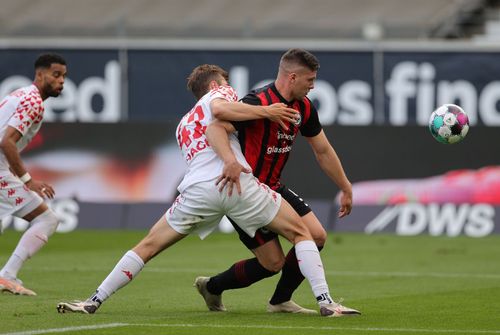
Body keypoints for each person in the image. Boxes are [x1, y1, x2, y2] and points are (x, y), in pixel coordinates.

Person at [56, 64, 355, 317]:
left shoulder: (183, 124)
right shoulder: (220, 94)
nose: (231, 89)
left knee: (147, 246)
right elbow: (220, 110)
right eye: (227, 84)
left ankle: (93, 300)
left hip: (197, 191)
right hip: (237, 185)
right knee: (303, 234)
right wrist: (264, 115)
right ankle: (325, 302)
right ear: (215, 84)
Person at [194, 48, 356, 315]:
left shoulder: (304, 107)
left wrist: (345, 185)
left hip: (274, 187)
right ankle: (212, 286)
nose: (313, 86)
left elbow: (323, 150)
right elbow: (217, 126)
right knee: (272, 264)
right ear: (292, 77)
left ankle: (280, 301)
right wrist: (228, 162)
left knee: (316, 236)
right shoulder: (257, 102)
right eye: (310, 80)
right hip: (246, 194)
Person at [0, 53, 67, 296]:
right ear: (40, 75)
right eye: (56, 75)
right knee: (47, 220)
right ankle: (7, 275)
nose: (61, 81)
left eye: (64, 77)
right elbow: (6, 142)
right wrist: (29, 181)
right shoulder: (33, 101)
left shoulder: (20, 95)